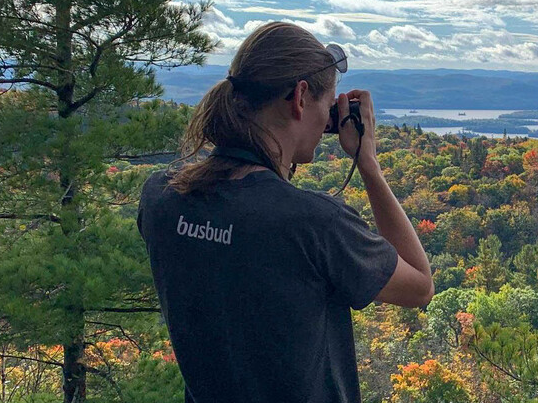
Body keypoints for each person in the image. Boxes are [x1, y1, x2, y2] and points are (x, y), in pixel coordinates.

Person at [136, 21, 433, 403]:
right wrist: (368, 165)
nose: (327, 121)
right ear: (300, 96)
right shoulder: (312, 223)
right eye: (327, 107)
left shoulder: (161, 196)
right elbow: (421, 287)